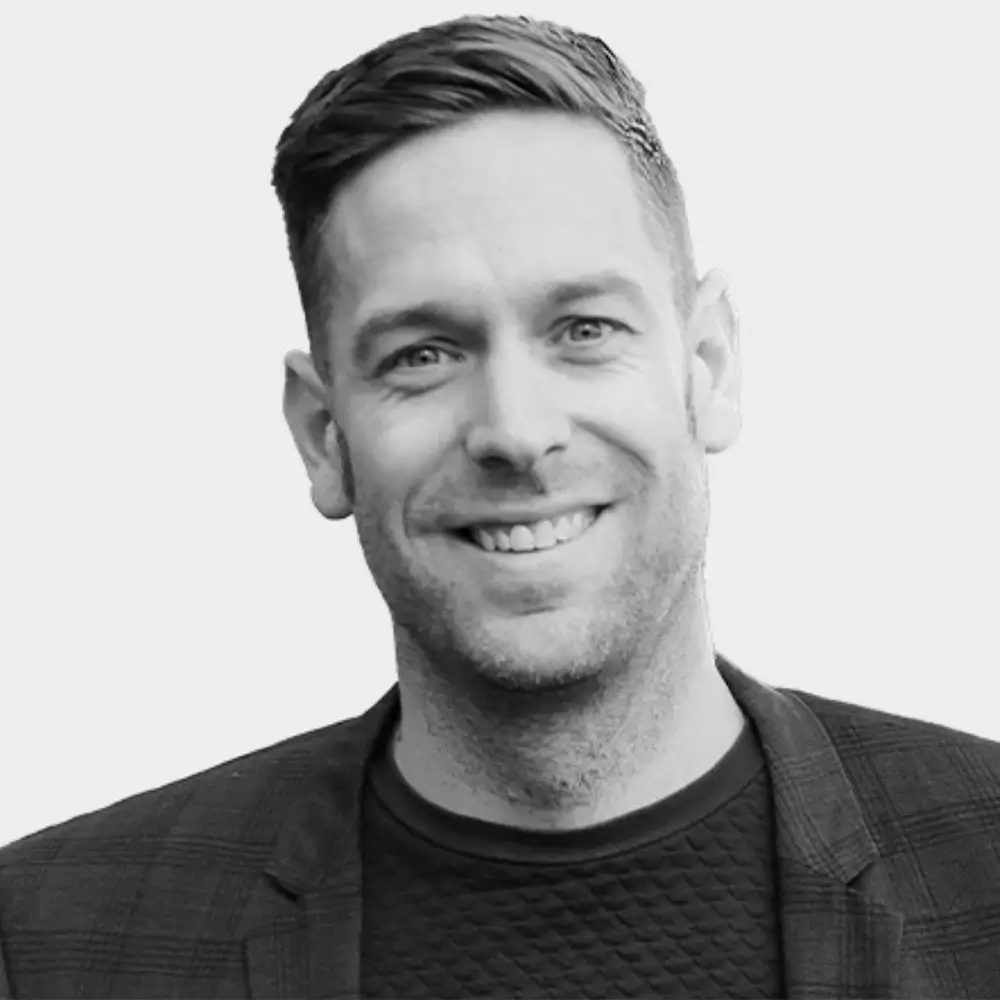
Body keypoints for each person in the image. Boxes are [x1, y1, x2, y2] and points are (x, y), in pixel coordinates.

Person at [1, 13, 998, 999]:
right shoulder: (49, 944)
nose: (516, 430)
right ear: (322, 434)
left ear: (708, 366)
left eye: (583, 329)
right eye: (424, 354)